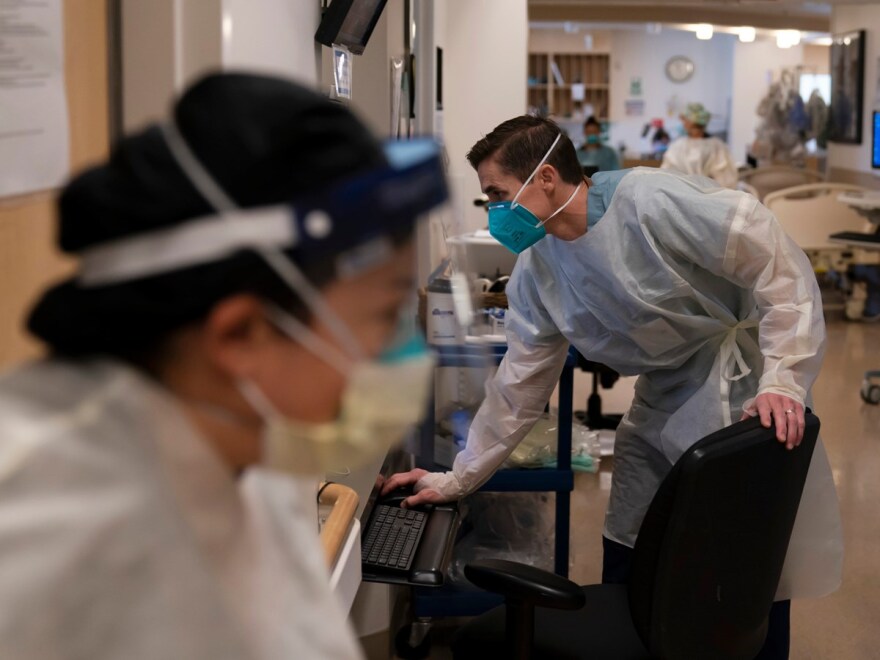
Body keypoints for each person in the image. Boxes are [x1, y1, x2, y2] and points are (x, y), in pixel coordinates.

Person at [0, 73, 447, 659]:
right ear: (241, 333)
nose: (403, 349)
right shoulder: (44, 550)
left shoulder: (244, 445)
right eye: (386, 314)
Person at [383, 115, 843, 659]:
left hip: (748, 396)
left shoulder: (648, 203)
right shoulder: (537, 273)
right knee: (633, 530)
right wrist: (458, 477)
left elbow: (773, 257)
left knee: (746, 563)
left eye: (497, 195)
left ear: (546, 178)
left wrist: (784, 379)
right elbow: (519, 388)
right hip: (664, 397)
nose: (495, 212)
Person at [661, 102, 738, 188]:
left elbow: (725, 180)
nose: (683, 123)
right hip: (685, 196)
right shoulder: (678, 146)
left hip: (709, 197)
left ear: (691, 122)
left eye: (685, 120)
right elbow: (667, 175)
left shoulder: (716, 147)